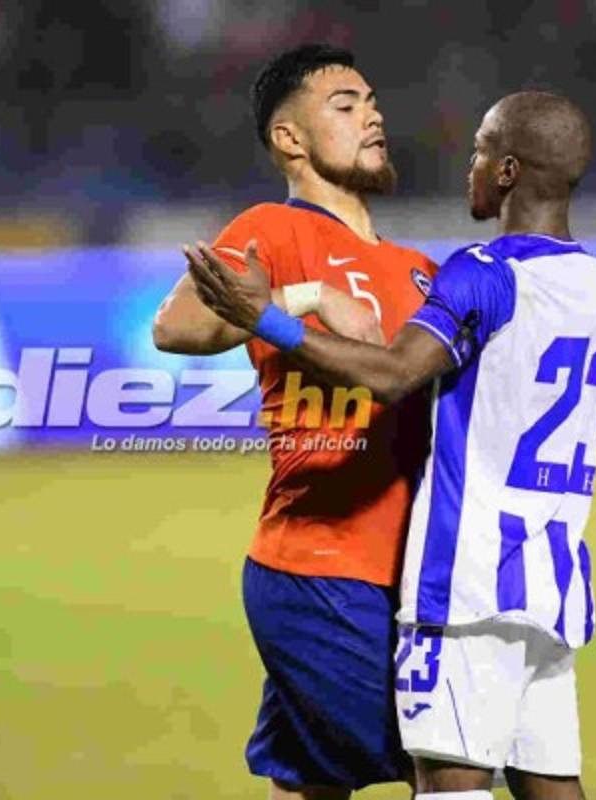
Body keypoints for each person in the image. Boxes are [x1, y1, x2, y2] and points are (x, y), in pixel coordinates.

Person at [184, 90, 596, 800]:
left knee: (449, 787)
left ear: (505, 171)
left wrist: (268, 317)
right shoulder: (589, 279)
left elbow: (394, 374)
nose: (466, 165)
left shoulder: (479, 271)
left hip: (466, 589)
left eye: (476, 151)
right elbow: (530, 389)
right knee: (554, 789)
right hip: (550, 584)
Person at [153, 44, 437, 799]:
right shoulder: (275, 231)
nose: (372, 114)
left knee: (308, 782)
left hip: (407, 574)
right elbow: (176, 326)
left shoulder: (419, 269)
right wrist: (304, 297)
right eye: (344, 106)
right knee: (446, 762)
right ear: (291, 140)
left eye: (372, 101)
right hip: (319, 565)